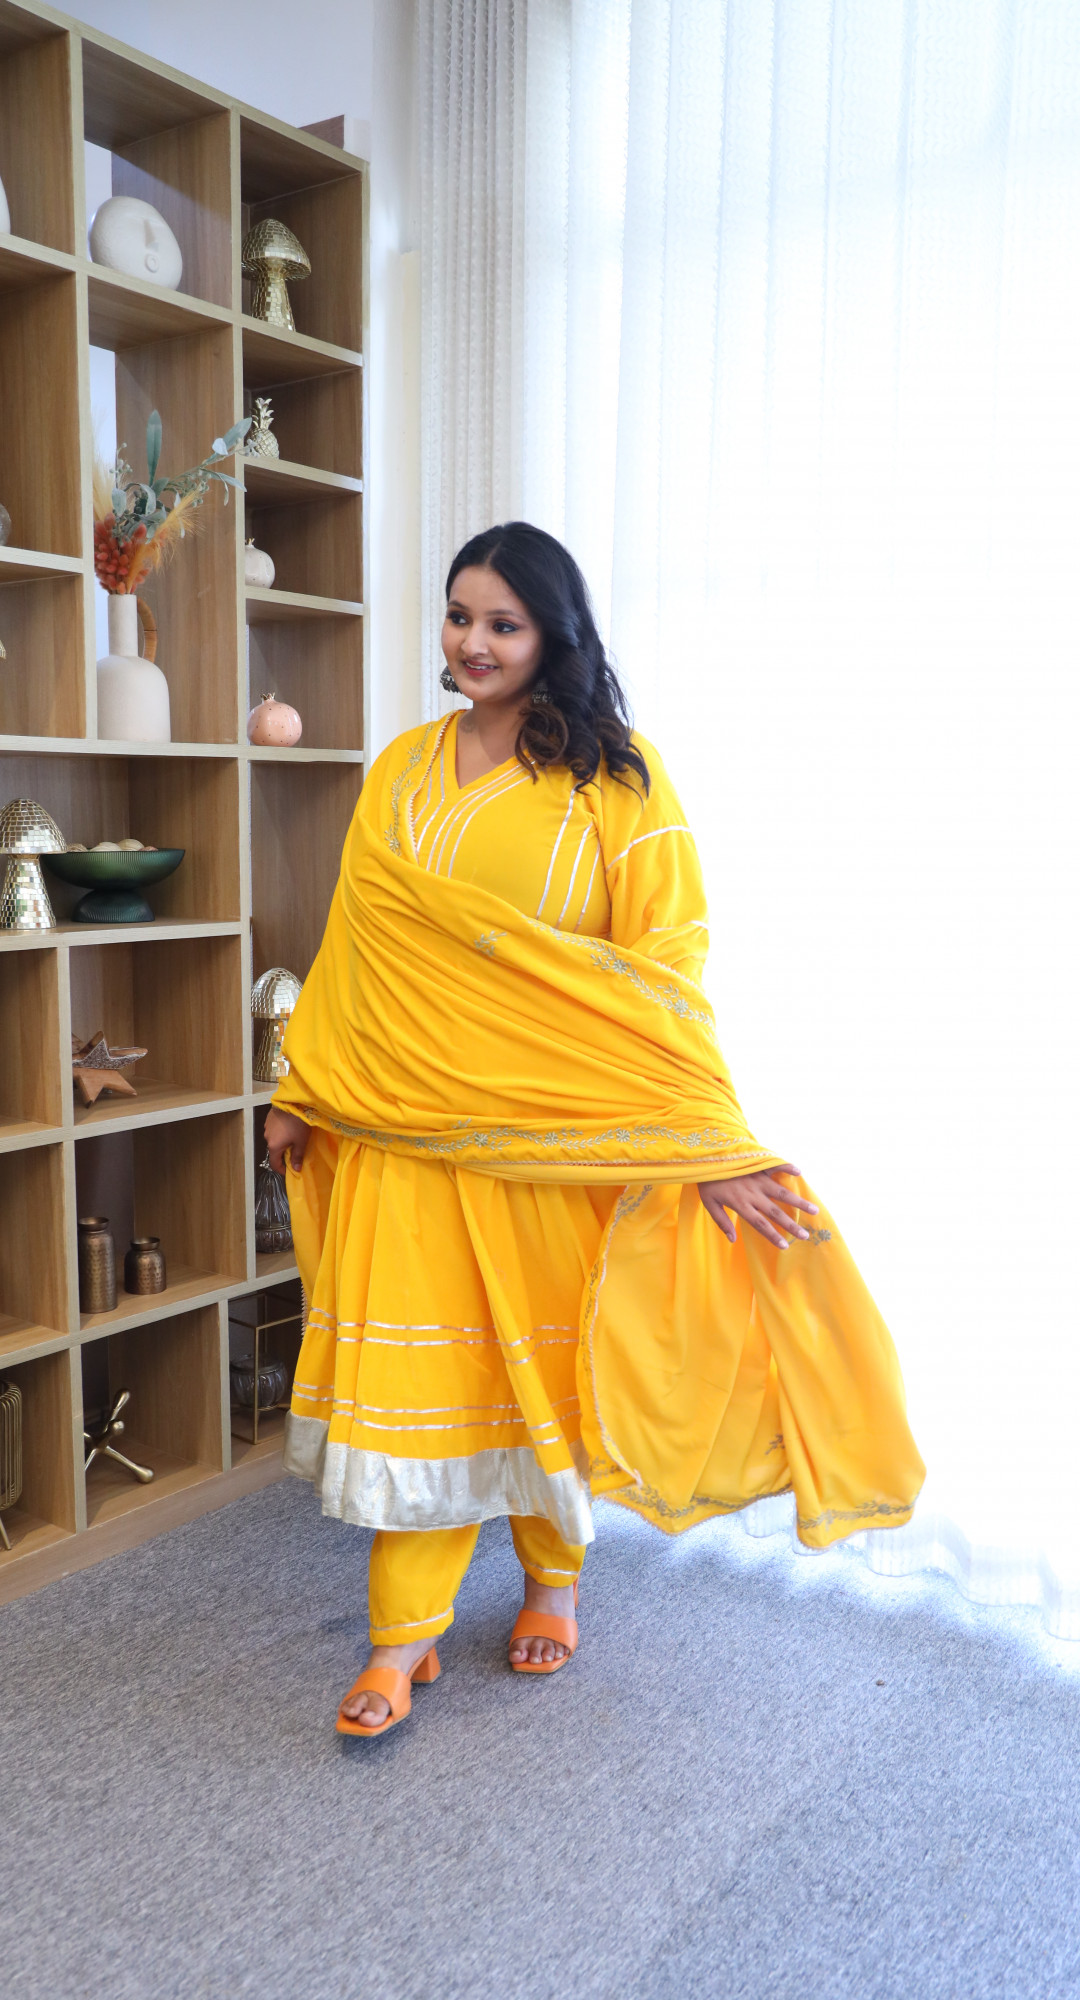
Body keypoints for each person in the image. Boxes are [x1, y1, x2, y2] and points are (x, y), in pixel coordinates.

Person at [264, 521, 924, 1737]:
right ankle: (398, 1643)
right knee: (428, 1384)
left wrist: (701, 1139)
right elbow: (354, 941)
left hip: (550, 1146)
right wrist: (306, 1085)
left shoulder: (615, 780)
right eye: (459, 615)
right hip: (408, 1136)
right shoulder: (401, 767)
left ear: (551, 635)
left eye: (501, 623)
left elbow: (664, 965)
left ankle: (553, 1580)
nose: (471, 641)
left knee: (534, 1384)